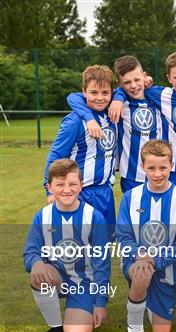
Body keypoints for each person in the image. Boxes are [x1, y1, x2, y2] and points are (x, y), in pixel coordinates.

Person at [117, 140, 176, 332]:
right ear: (143, 166)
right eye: (151, 168)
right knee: (142, 274)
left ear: (171, 165)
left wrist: (157, 261)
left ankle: (145, 300)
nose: (157, 173)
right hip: (137, 262)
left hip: (167, 267)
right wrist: (139, 255)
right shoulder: (130, 197)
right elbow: (123, 236)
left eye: (163, 167)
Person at [24, 159, 111, 332]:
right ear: (49, 187)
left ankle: (76, 311)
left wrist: (101, 302)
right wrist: (37, 263)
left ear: (81, 186)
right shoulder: (43, 216)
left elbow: (102, 264)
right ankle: (55, 326)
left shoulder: (93, 217)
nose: (66, 190)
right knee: (38, 273)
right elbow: (30, 251)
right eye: (60, 185)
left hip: (85, 283)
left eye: (72, 184)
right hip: (58, 277)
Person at [109, 49, 176, 192]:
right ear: (169, 78)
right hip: (145, 174)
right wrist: (118, 97)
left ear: (144, 77)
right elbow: (80, 97)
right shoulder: (158, 96)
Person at [67, 55, 162, 192]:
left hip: (161, 174)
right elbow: (73, 97)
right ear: (120, 85)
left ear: (144, 76)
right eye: (127, 82)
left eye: (137, 79)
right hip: (131, 177)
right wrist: (90, 118)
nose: (134, 85)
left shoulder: (158, 97)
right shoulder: (114, 103)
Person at [44, 65, 117, 240]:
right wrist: (50, 192)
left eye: (105, 93)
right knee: (76, 245)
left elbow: (123, 92)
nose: (100, 98)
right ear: (84, 92)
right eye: (94, 93)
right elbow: (55, 157)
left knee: (103, 245)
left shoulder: (114, 114)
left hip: (105, 193)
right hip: (81, 194)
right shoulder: (74, 121)